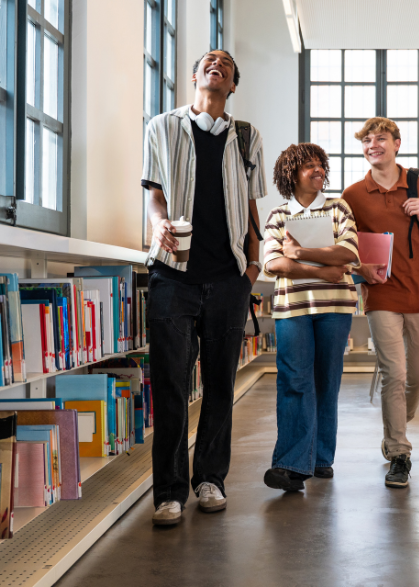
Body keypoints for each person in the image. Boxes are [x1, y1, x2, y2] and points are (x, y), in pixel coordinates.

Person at [141, 50, 266, 525]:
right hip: (172, 275)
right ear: (194, 77)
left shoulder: (247, 136)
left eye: (228, 65)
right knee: (171, 383)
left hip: (228, 278)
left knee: (219, 385)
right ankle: (168, 492)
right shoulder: (161, 127)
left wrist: (251, 270)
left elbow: (252, 211)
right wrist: (156, 224)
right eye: (209, 62)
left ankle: (210, 478)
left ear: (232, 85)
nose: (218, 65)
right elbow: (154, 191)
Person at [342, 117, 419, 489]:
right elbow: (343, 247)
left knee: (417, 376)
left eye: (380, 139)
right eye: (366, 141)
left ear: (397, 144)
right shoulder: (353, 195)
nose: (373, 145)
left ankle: (396, 426)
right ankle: (399, 451)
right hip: (381, 296)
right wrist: (361, 268)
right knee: (394, 373)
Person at [262, 143, 360, 491]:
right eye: (309, 166)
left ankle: (320, 457)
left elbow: (347, 251)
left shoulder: (338, 208)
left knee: (326, 381)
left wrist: (300, 252)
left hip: (335, 309)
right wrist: (324, 271)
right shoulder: (277, 215)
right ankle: (291, 464)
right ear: (292, 173)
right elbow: (275, 264)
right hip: (293, 310)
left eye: (321, 165)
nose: (318, 170)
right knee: (293, 380)